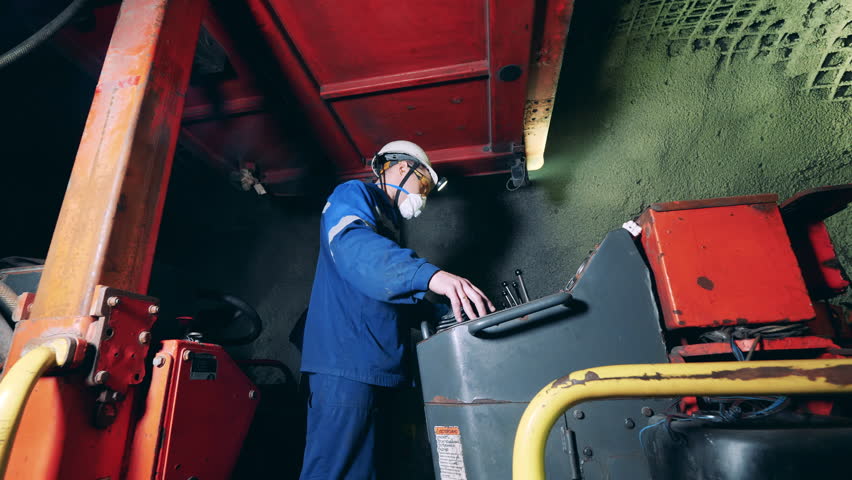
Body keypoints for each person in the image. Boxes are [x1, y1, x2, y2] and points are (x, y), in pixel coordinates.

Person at [298, 140, 494, 479]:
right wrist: (434, 275)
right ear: (402, 168)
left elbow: (392, 298)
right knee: (333, 471)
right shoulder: (354, 195)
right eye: (425, 184)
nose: (425, 196)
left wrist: (447, 315)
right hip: (346, 366)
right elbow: (357, 249)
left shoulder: (388, 224)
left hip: (376, 370)